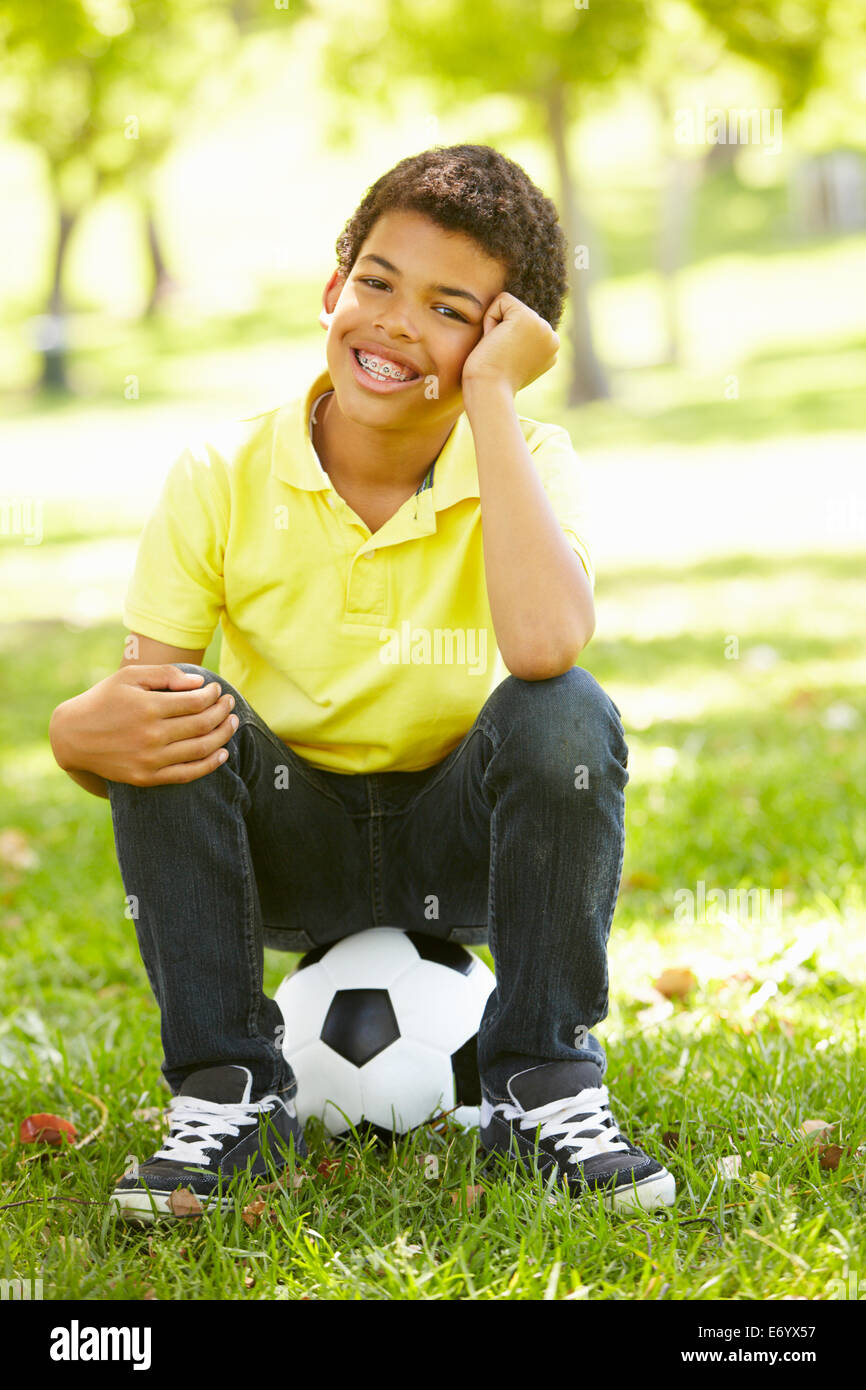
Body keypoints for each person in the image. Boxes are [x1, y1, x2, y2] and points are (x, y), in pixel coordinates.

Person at [48, 144, 675, 1221]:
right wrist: (74, 735)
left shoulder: (527, 457)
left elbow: (540, 650)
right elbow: (139, 730)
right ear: (333, 288)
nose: (390, 323)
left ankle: (539, 1078)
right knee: (173, 706)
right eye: (376, 282)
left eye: (446, 309)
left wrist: (485, 402)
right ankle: (227, 1089)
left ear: (498, 342)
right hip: (284, 849)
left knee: (564, 711)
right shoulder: (220, 474)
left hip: (459, 841)